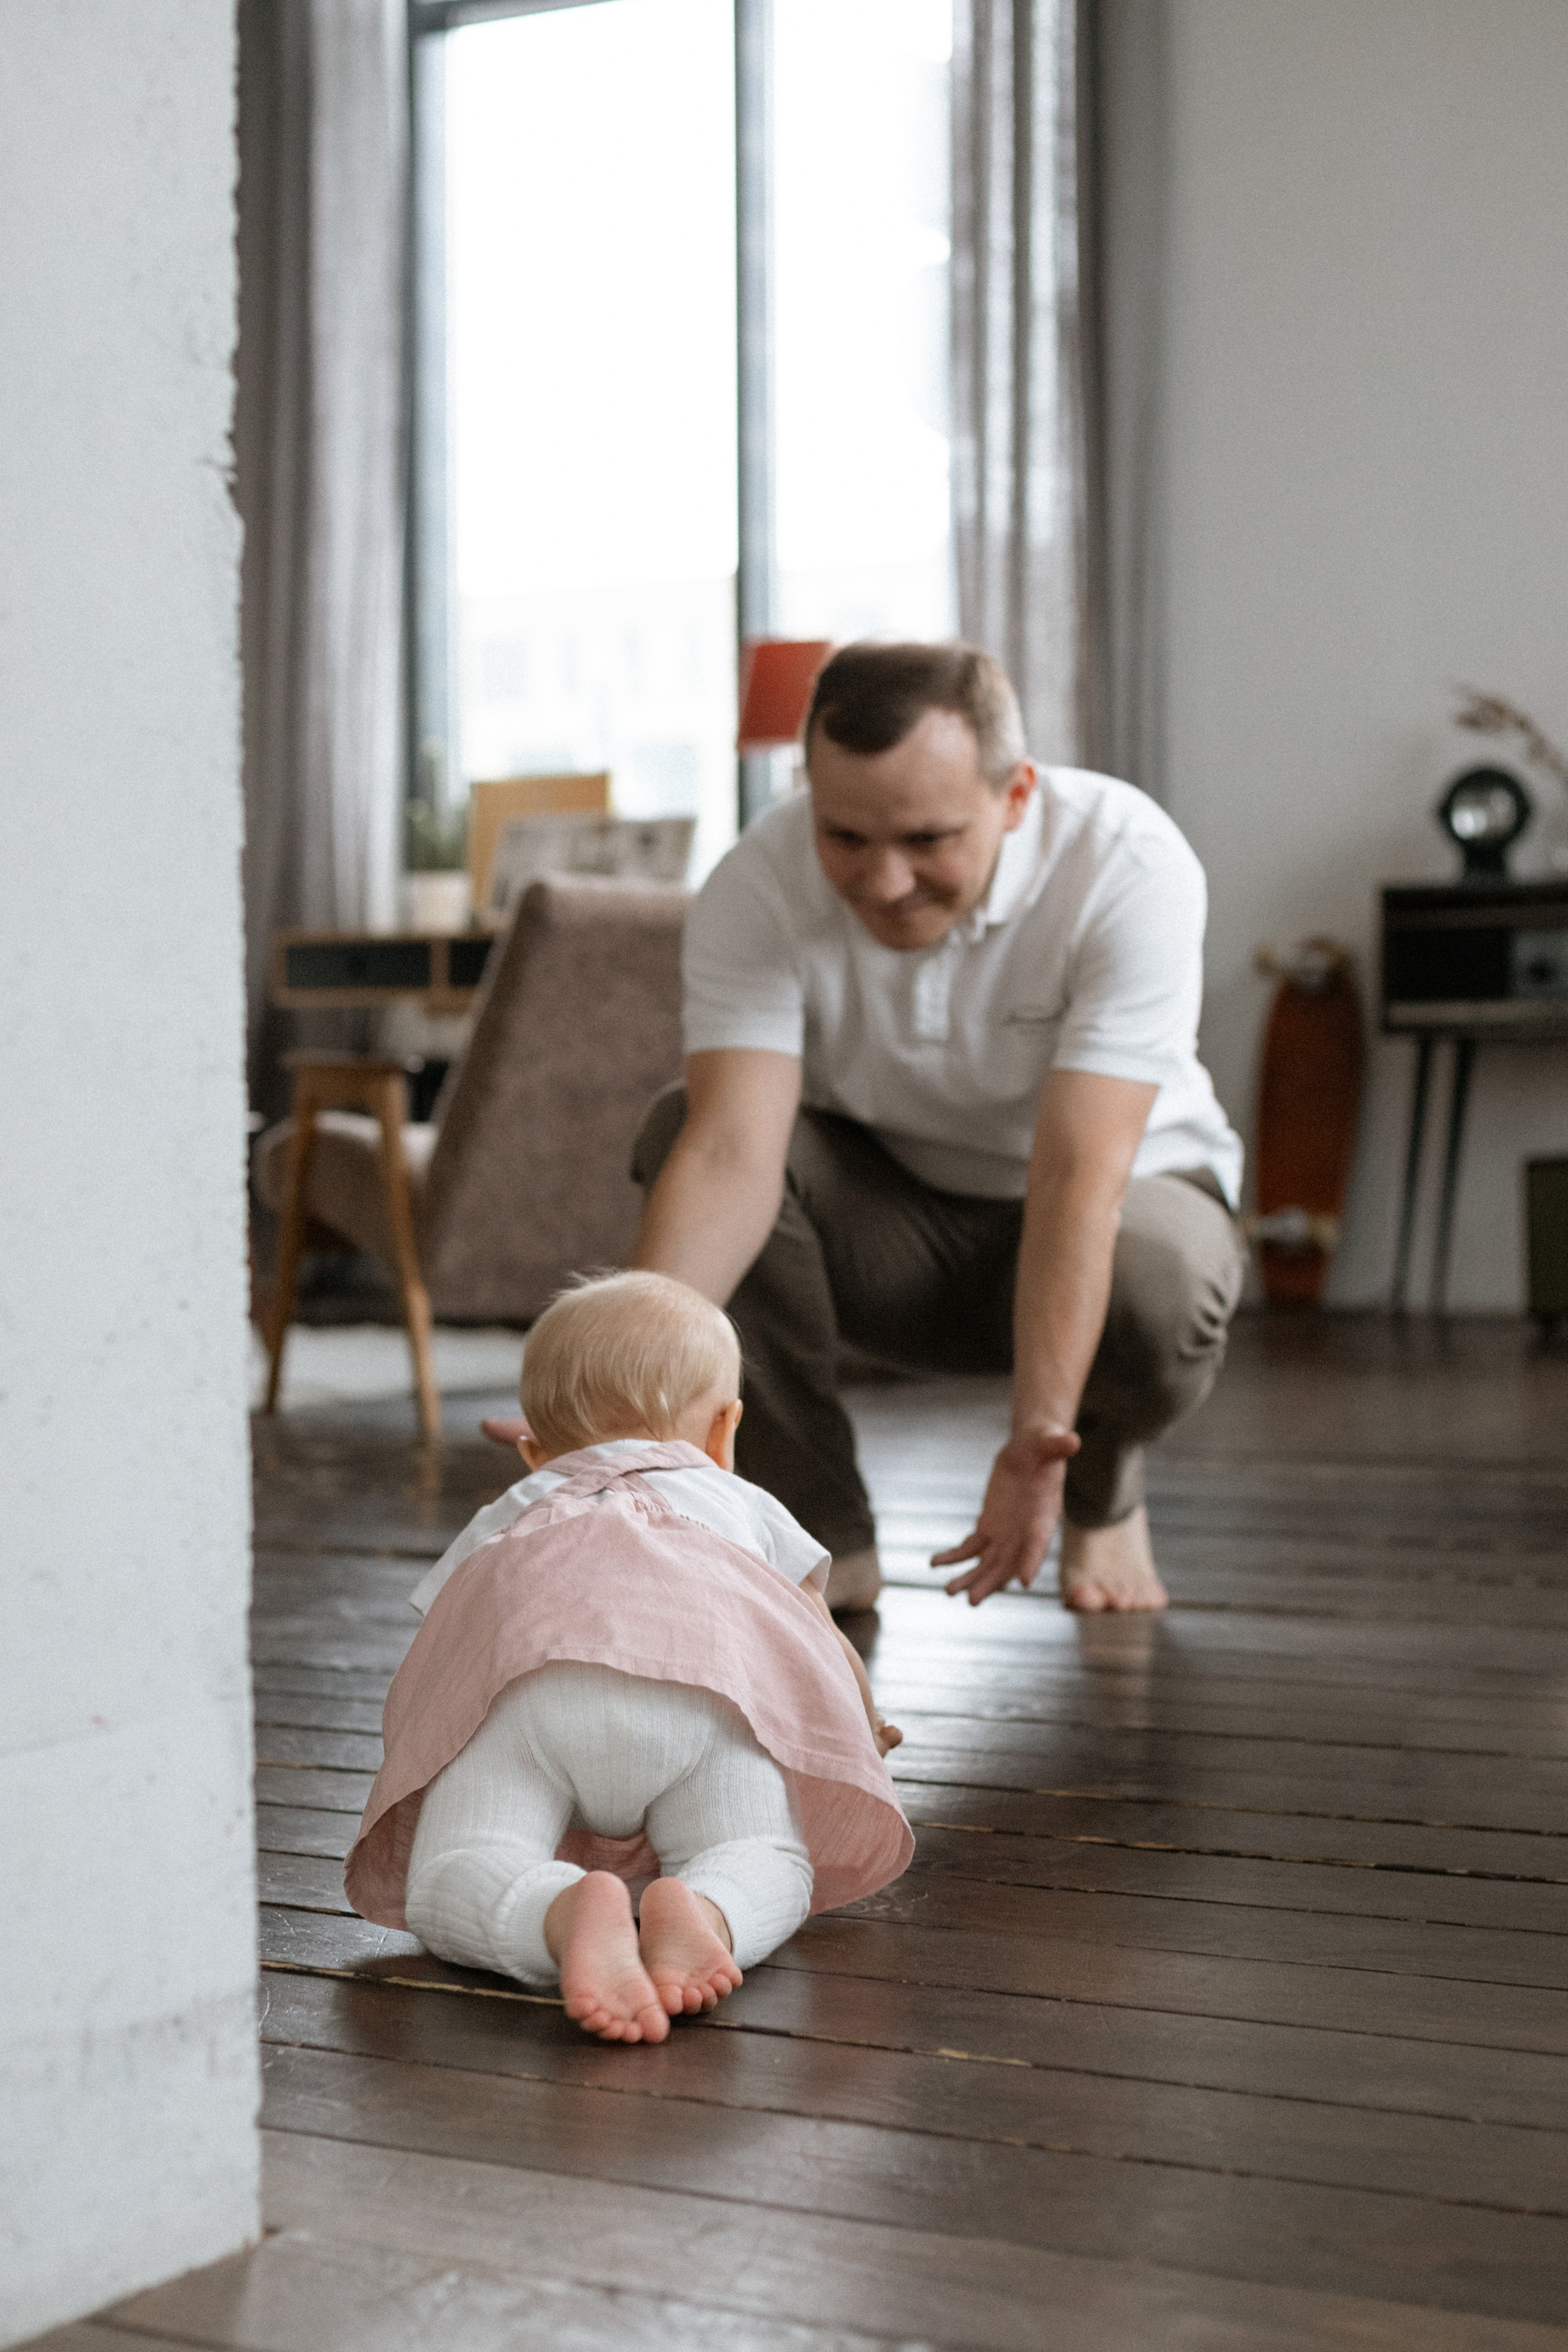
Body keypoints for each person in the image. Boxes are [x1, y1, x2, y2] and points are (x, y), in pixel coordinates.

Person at [619, 641, 1246, 1616]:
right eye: (847, 838)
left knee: (1157, 1283)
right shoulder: (758, 882)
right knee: (679, 1128)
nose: (885, 882)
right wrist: (616, 1393)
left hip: (1111, 1216)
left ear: (1017, 794)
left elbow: (1081, 1175)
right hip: (895, 1235)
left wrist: (1035, 1446)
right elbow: (729, 1155)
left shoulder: (1128, 862)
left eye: (927, 840)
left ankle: (1098, 1484)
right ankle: (817, 1531)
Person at [346, 1272, 911, 2045]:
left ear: (534, 1452)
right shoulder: (742, 1504)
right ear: (724, 1432)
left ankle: (560, 1914)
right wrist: (864, 1718)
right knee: (760, 1853)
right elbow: (815, 1630)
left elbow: (450, 1634)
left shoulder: (515, 1507)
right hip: (707, 1699)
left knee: (455, 1868)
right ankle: (705, 1910)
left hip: (531, 1707)